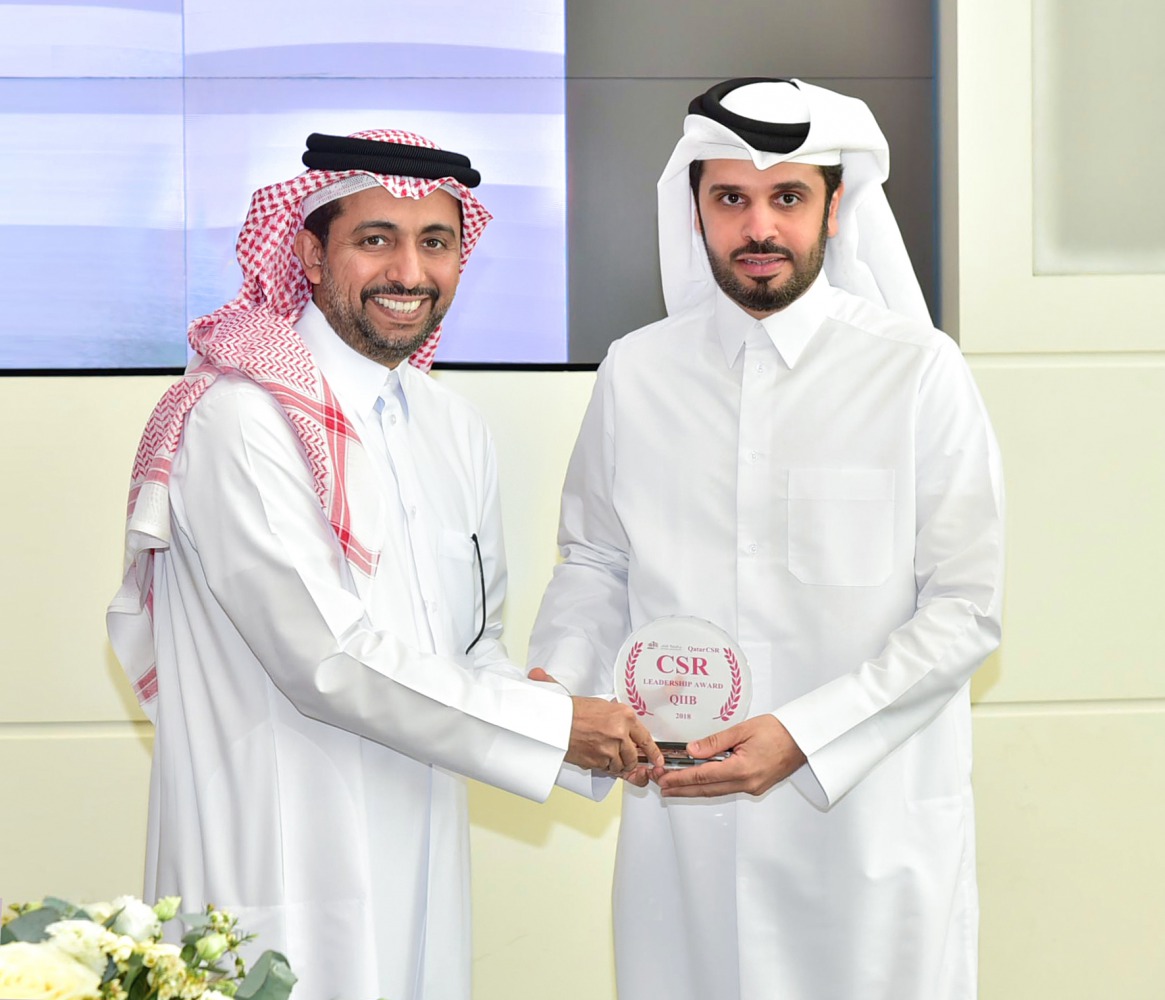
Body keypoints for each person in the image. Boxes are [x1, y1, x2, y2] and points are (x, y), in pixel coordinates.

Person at [106, 129, 660, 1000]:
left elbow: (473, 648)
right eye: (375, 239)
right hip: (272, 847)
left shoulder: (454, 430)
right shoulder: (238, 420)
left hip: (423, 848)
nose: (409, 271)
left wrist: (582, 723)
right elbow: (325, 660)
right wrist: (556, 729)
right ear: (309, 252)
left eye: (435, 242)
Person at [528, 79, 1005, 1000]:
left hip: (864, 826)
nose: (758, 227)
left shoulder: (916, 371)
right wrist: (560, 691)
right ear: (694, 207)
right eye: (730, 198)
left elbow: (966, 609)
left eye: (787, 197)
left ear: (833, 208)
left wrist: (805, 734)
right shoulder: (638, 371)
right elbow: (595, 560)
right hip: (689, 823)